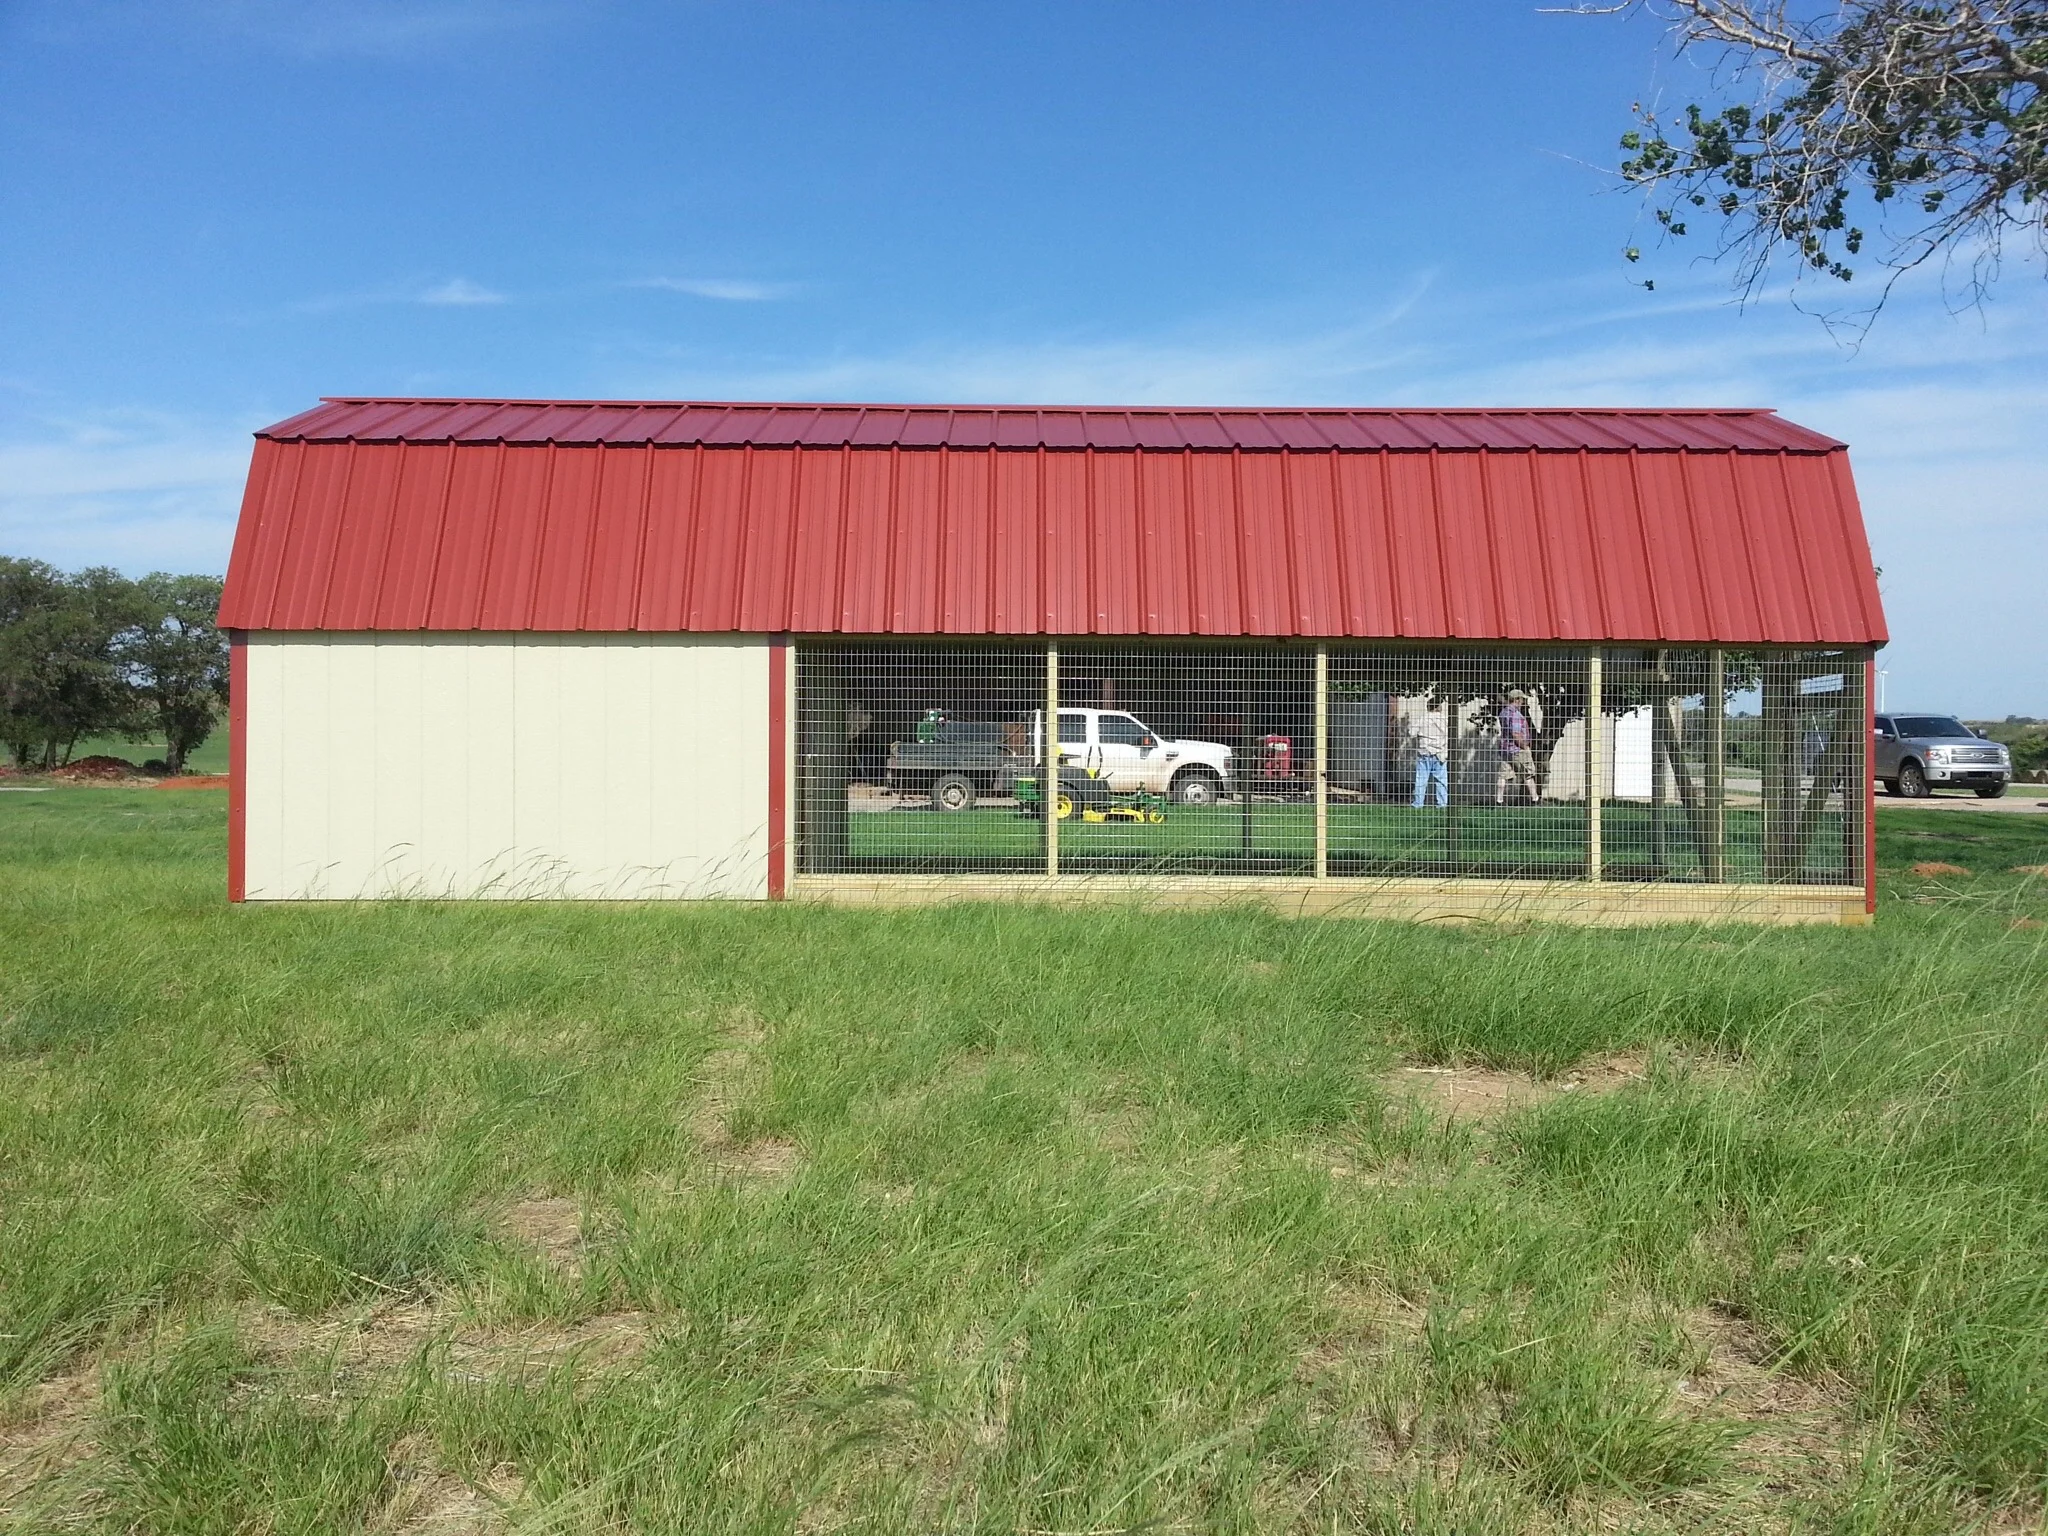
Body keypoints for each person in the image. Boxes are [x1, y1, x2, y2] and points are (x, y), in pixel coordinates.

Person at [1495, 689, 1541, 805]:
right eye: (1522, 699)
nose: (1523, 702)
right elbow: (1516, 734)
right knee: (1528, 774)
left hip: (1505, 749)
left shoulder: (1503, 713)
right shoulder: (1515, 715)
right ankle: (1535, 799)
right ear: (1516, 699)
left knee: (1503, 775)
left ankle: (1499, 801)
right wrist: (1524, 746)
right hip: (1517, 749)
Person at [1409, 701, 1449, 808]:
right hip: (1440, 752)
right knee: (1441, 780)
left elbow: (1411, 733)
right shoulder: (1445, 719)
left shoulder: (1423, 718)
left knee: (1421, 779)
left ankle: (1418, 803)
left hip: (1424, 751)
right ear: (1438, 707)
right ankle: (1442, 804)